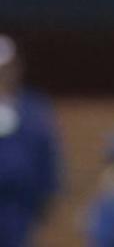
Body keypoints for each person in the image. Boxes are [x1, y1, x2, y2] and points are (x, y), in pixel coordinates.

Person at [0, 35, 61, 247]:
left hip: (19, 205)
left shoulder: (33, 108)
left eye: (6, 67)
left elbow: (46, 151)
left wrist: (47, 192)